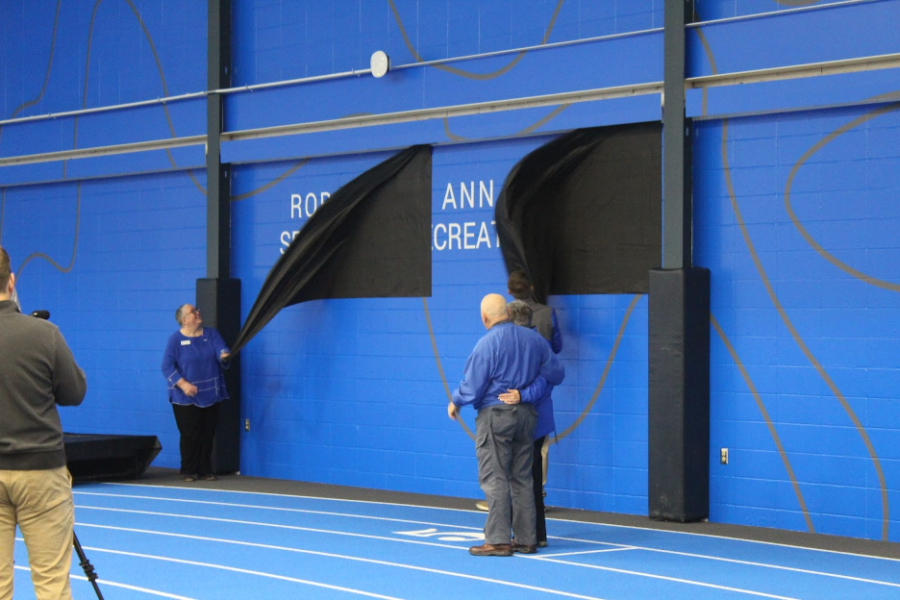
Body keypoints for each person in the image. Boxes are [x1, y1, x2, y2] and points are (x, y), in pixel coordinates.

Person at [0, 246, 87, 600]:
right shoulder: (43, 333)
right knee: (51, 585)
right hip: (40, 471)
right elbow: (75, 392)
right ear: (11, 280)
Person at [448, 294, 564, 556]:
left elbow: (474, 387)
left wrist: (456, 401)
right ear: (509, 314)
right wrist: (527, 393)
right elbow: (557, 373)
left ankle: (498, 540)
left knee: (495, 476)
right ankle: (526, 539)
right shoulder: (535, 340)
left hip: (496, 416)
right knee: (523, 477)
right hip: (527, 416)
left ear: (484, 318)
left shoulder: (488, 343)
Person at [500, 300, 556, 548]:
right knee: (530, 479)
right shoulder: (540, 343)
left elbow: (547, 380)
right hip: (539, 419)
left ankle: (525, 535)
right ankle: (537, 535)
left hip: (527, 419)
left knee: (520, 479)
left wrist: (522, 395)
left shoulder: (525, 345)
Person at [162, 304, 230, 482]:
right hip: (184, 397)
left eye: (197, 309)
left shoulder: (211, 334)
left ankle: (205, 469)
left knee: (208, 432)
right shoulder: (174, 341)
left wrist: (224, 355)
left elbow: (221, 349)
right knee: (190, 434)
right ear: (184, 320)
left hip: (210, 394)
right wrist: (183, 384)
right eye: (193, 311)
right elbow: (166, 366)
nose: (198, 312)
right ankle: (188, 470)